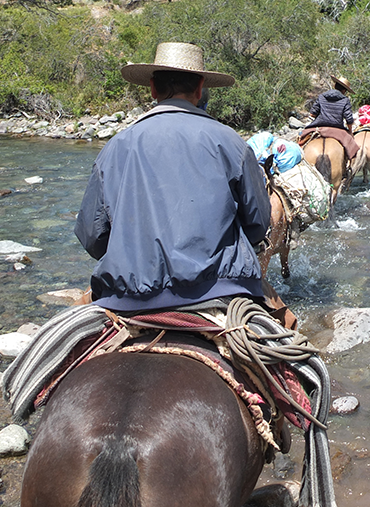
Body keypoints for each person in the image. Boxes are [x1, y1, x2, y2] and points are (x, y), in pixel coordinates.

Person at [74, 41, 271, 313]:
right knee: (290, 344)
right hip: (220, 290)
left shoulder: (116, 146)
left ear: (153, 88)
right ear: (201, 88)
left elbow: (93, 237)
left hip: (128, 298)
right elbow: (258, 224)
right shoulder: (231, 142)